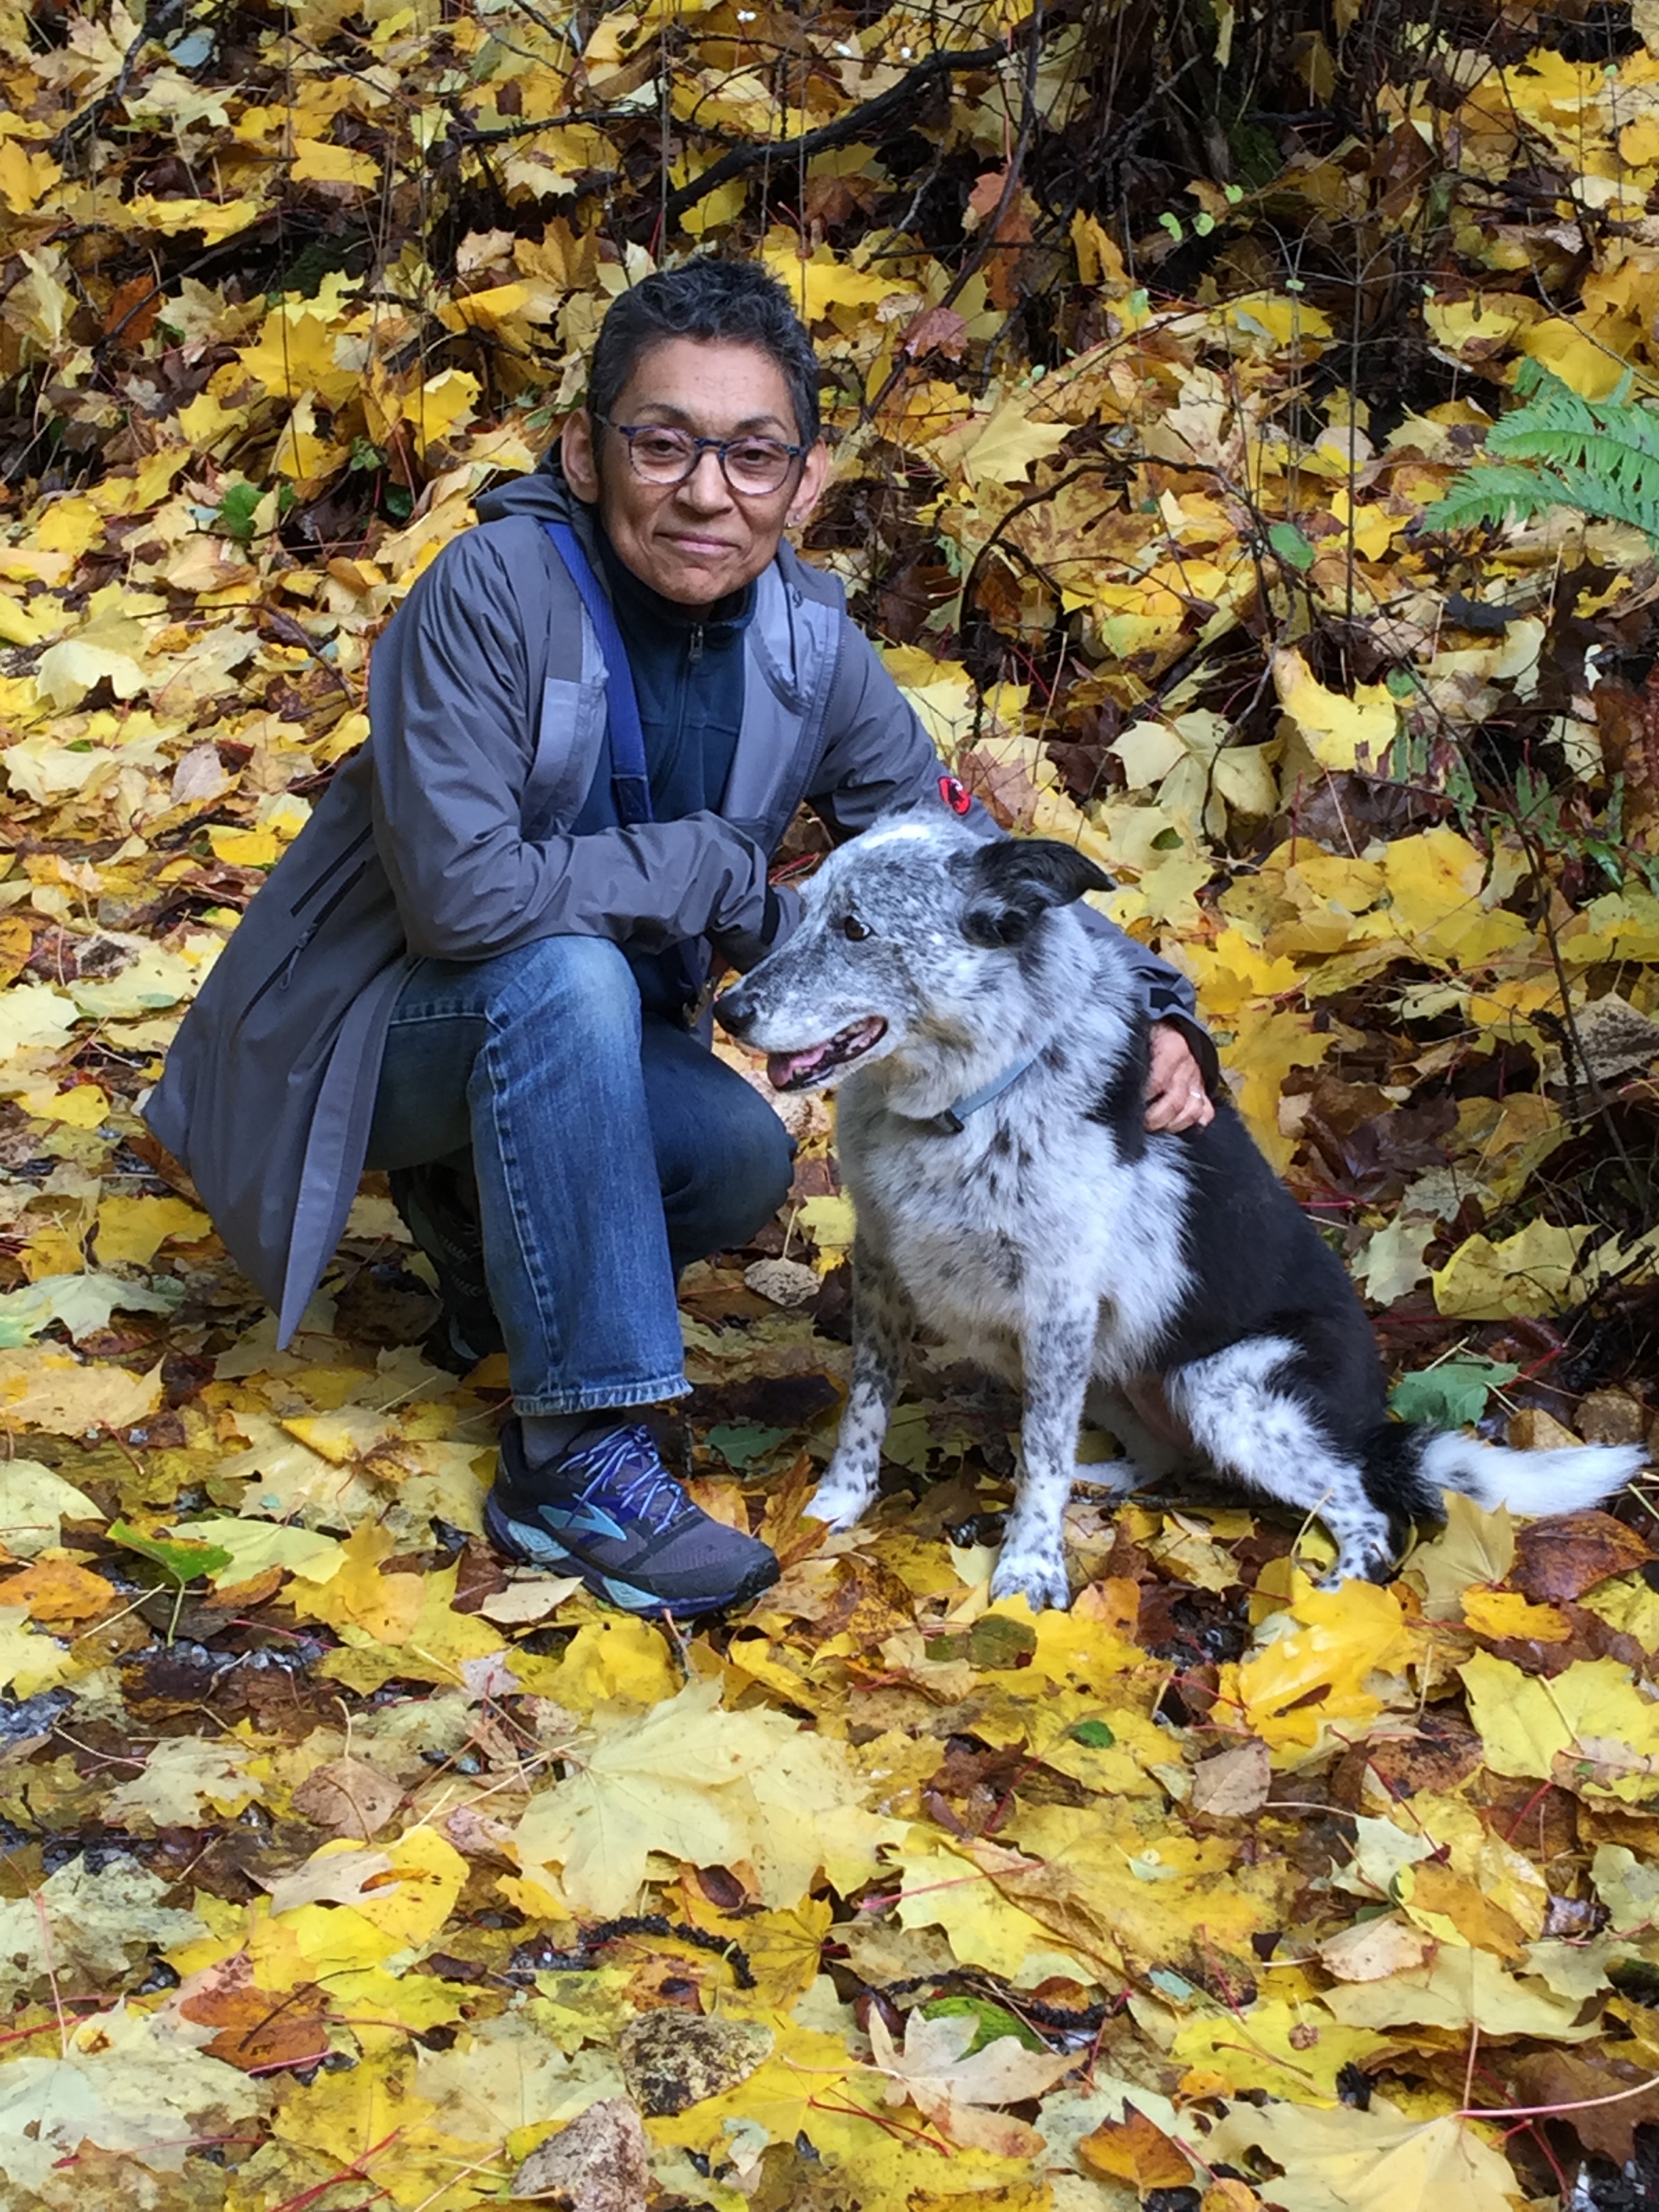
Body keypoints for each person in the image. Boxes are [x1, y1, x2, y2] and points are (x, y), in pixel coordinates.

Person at [146, 259, 1217, 1620]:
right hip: (353, 1043)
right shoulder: (488, 594)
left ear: (804, 480)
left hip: (562, 1046)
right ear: (585, 452)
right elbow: (465, 905)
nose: (708, 492)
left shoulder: (809, 645)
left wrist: (1159, 1007)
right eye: (665, 444)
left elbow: (963, 861)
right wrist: (704, 865)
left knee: (738, 1156)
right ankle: (579, 1462)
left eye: (753, 456)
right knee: (565, 974)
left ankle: (483, 1240)